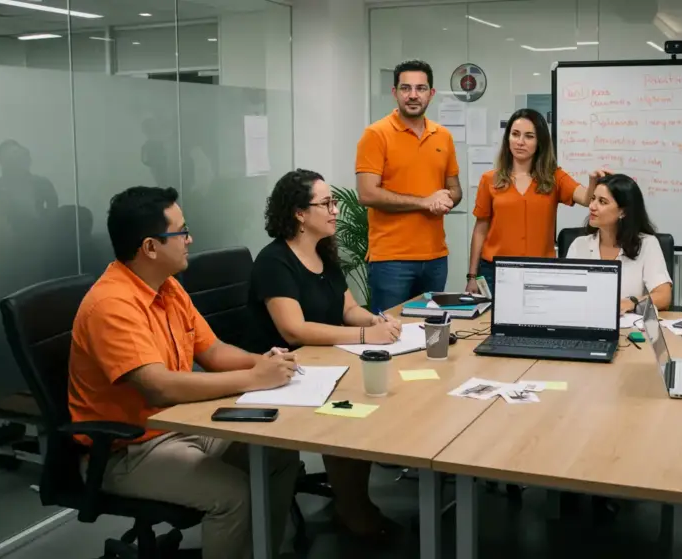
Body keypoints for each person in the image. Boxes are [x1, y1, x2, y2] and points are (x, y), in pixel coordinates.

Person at [67, 186, 302, 559]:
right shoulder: (112, 305)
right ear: (150, 247)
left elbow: (213, 351)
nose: (190, 239)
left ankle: (258, 552)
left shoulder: (168, 286)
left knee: (278, 458)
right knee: (233, 495)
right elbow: (158, 387)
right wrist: (255, 379)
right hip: (129, 450)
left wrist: (264, 362)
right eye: (182, 232)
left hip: (184, 426)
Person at [247, 169, 403, 541]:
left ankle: (353, 500)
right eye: (327, 203)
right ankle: (352, 507)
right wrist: (367, 335)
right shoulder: (275, 262)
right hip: (283, 374)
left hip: (325, 364)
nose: (336, 210)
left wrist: (377, 320)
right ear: (300, 213)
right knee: (350, 412)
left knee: (368, 400)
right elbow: (294, 330)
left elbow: (347, 308)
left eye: (334, 202)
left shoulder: (323, 253)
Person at [356, 59, 461, 312]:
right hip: (391, 260)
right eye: (406, 88)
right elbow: (367, 193)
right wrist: (424, 202)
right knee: (390, 336)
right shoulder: (376, 134)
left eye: (421, 88)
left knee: (431, 333)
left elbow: (455, 189)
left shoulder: (443, 136)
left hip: (435, 258)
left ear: (431, 94)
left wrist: (446, 199)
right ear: (395, 93)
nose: (413, 95)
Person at [465, 108, 606, 295]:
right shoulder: (489, 179)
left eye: (529, 136)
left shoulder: (554, 177)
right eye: (515, 134)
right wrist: (472, 277)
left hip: (540, 270)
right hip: (496, 271)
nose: (520, 142)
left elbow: (586, 198)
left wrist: (593, 181)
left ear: (539, 142)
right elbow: (480, 229)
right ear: (508, 139)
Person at [566, 174, 673, 313]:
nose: (592, 206)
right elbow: (566, 294)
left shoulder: (646, 244)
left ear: (623, 212)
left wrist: (630, 303)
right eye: (593, 199)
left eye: (602, 202)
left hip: (629, 328)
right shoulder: (579, 245)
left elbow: (664, 297)